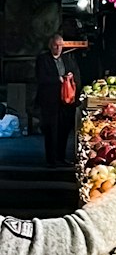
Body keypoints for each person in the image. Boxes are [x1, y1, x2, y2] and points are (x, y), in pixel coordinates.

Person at [34, 31, 83, 167]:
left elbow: (77, 74)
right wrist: (57, 79)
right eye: (56, 46)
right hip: (50, 101)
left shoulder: (68, 58)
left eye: (61, 46)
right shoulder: (43, 59)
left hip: (66, 102)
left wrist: (71, 77)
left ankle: (61, 157)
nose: (58, 48)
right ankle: (52, 159)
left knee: (64, 130)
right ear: (50, 46)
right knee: (51, 130)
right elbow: (41, 78)